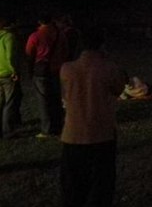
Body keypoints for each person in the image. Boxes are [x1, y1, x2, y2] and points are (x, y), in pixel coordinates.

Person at [59, 26, 127, 207]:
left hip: (73, 135)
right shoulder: (109, 68)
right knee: (101, 186)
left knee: (73, 187)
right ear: (102, 44)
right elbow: (119, 88)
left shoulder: (66, 69)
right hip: (101, 134)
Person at [25, 12, 70, 137]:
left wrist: (30, 71)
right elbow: (66, 51)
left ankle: (47, 129)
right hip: (56, 70)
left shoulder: (35, 36)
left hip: (41, 71)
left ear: (39, 22)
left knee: (44, 100)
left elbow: (29, 54)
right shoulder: (60, 34)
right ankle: (59, 124)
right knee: (56, 98)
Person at [0, 14, 20, 139]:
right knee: (10, 102)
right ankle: (8, 131)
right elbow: (10, 57)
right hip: (7, 74)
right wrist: (15, 71)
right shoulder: (8, 37)